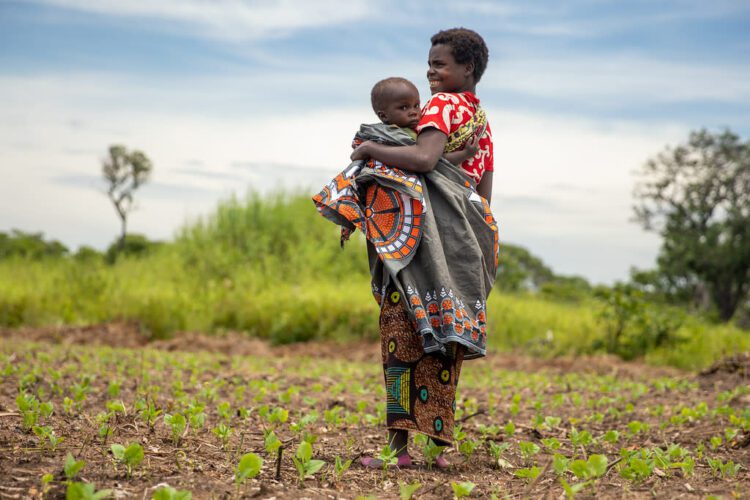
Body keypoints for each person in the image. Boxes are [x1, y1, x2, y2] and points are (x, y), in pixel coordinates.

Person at [313, 27, 496, 470]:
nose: (431, 71)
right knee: (442, 347)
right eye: (429, 63)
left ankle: (399, 453)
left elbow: (423, 161)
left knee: (401, 338)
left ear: (467, 68)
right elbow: (482, 193)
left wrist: (371, 148)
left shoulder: (441, 106)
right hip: (462, 248)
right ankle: (436, 448)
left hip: (419, 250)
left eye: (440, 64)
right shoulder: (481, 121)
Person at [369, 76, 479, 165]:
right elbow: (438, 162)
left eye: (416, 105)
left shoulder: (418, 131)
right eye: (403, 107)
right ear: (383, 116)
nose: (413, 112)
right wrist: (465, 154)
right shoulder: (396, 137)